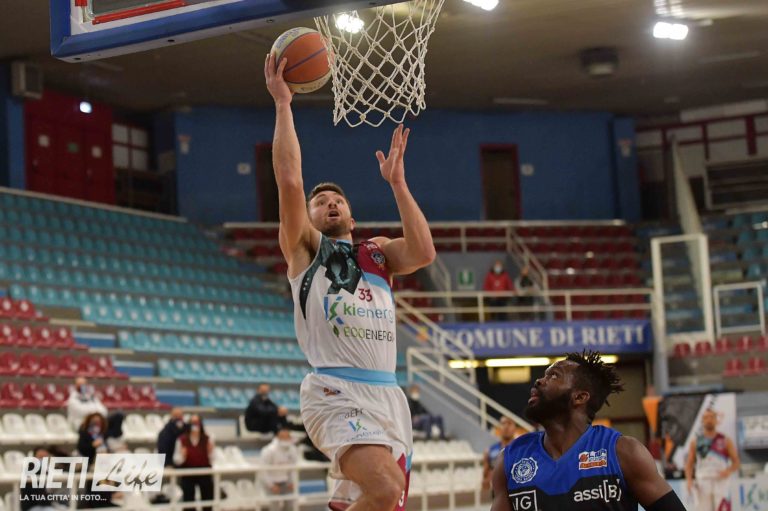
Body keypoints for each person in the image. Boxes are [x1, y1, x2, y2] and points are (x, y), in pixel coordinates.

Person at [265, 52, 436, 511]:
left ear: (352, 217)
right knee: (385, 490)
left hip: (388, 394)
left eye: (337, 200)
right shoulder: (305, 249)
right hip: (334, 390)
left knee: (384, 504)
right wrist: (283, 104)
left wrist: (398, 184)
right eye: (321, 202)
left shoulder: (377, 253)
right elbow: (289, 180)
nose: (330, 203)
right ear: (310, 218)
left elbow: (423, 252)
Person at [491, 351, 687, 511]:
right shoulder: (510, 460)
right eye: (544, 375)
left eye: (554, 375)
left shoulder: (623, 453)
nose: (539, 381)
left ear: (580, 397)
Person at [684, 408, 740, 511]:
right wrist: (689, 480)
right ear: (702, 420)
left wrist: (728, 471)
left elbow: (736, 462)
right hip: (703, 481)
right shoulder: (695, 441)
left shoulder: (725, 440)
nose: (709, 420)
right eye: (706, 417)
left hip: (721, 481)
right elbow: (689, 463)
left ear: (716, 419)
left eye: (711, 417)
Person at [174, 415, 214, 511]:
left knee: (207, 500)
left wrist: (210, 452)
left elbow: (213, 460)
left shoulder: (208, 439)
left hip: (204, 472)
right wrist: (183, 456)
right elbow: (176, 460)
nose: (195, 425)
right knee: (188, 501)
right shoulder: (181, 440)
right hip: (188, 472)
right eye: (193, 423)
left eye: (197, 423)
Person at [260, 427, 301, 511]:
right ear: (278, 437)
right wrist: (271, 485)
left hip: (286, 482)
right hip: (272, 482)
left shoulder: (292, 449)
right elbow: (263, 470)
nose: (285, 439)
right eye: (283, 437)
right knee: (275, 508)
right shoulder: (269, 450)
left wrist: (291, 481)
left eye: (287, 437)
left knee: (290, 506)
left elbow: (293, 468)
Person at [482, 416, 516, 493]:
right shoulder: (489, 451)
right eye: (503, 423)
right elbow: (485, 479)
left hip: (517, 491)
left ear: (515, 428)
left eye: (509, 423)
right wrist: (486, 479)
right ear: (498, 428)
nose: (506, 427)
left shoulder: (522, 449)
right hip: (498, 493)